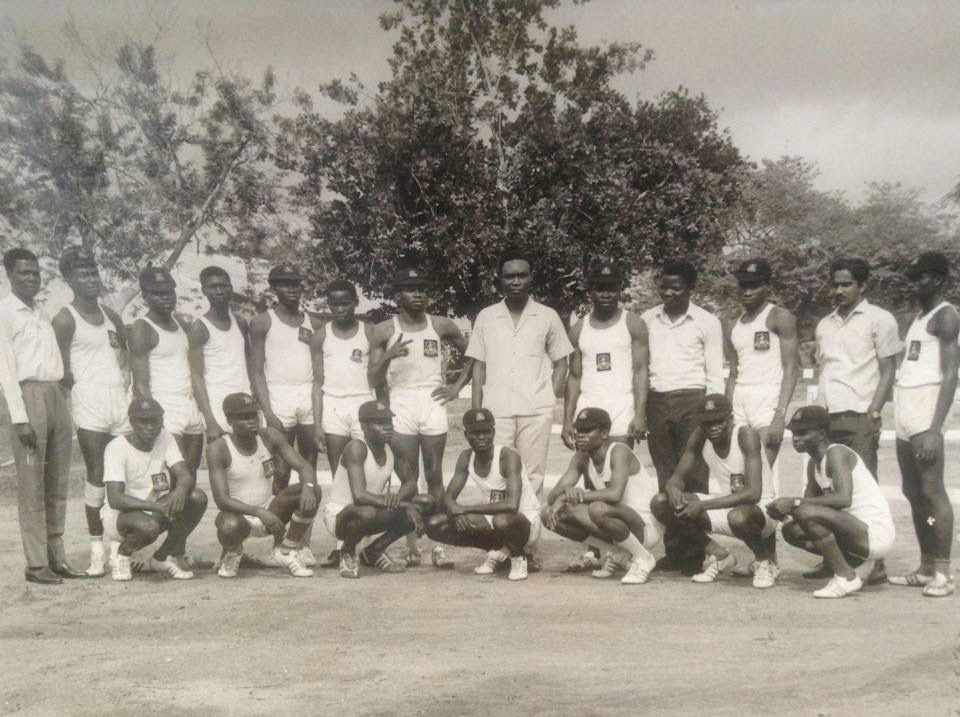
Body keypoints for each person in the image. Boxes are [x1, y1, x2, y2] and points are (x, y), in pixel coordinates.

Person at [368, 268, 472, 568]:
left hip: (431, 399)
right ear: (398, 294)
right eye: (411, 289)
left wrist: (456, 388)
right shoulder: (384, 330)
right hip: (400, 400)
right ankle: (412, 544)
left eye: (423, 289)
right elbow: (373, 378)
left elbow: (476, 355)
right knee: (407, 478)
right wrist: (389, 356)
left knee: (435, 474)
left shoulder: (440, 325)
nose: (418, 294)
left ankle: (439, 543)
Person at [812, 257, 900, 583]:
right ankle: (831, 559)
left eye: (846, 284)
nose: (838, 290)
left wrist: (875, 412)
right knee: (825, 488)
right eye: (834, 283)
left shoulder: (880, 319)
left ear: (862, 286)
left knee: (861, 492)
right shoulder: (824, 324)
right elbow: (824, 371)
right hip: (827, 418)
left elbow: (888, 369)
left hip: (860, 414)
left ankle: (875, 564)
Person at [0, 247, 84, 583]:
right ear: (9, 275)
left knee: (57, 480)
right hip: (27, 395)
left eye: (35, 273)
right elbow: (6, 371)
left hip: (54, 394)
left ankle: (56, 556)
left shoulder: (41, 311)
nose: (32, 278)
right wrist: (20, 418)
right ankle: (36, 564)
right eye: (24, 273)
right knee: (33, 483)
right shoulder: (5, 313)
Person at [467, 251, 573, 504]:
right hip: (497, 409)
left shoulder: (547, 315)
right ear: (500, 279)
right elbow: (478, 367)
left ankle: (530, 536)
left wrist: (548, 395)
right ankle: (501, 538)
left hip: (535, 409)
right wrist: (476, 413)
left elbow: (562, 362)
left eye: (521, 275)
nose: (516, 281)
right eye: (509, 276)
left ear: (531, 278)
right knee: (498, 472)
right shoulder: (486, 316)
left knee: (533, 475)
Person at [51, 247, 130, 577]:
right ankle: (97, 549)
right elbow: (59, 368)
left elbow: (123, 352)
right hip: (89, 401)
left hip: (118, 400)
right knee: (98, 474)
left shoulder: (111, 315)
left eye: (94, 273)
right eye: (83, 275)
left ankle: (119, 550)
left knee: (121, 476)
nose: (91, 280)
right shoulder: (65, 318)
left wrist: (123, 380)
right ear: (69, 280)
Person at [641, 260, 723, 574]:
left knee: (693, 476)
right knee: (666, 478)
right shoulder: (647, 319)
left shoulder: (707, 321)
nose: (669, 293)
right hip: (658, 401)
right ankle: (675, 551)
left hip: (693, 400)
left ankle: (698, 552)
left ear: (691, 288)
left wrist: (710, 414)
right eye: (664, 286)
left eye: (677, 287)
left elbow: (714, 372)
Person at [650, 394, 779, 588]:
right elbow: (675, 479)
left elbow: (754, 493)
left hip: (761, 510)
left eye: (719, 421)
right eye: (707, 423)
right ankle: (720, 554)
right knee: (661, 503)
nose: (713, 427)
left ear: (731, 418)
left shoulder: (745, 435)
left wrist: (702, 505)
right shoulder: (700, 435)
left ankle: (765, 562)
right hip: (728, 505)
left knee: (738, 516)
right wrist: (673, 491)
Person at [767, 405, 895, 599]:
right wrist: (782, 511)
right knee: (791, 530)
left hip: (874, 532)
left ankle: (846, 576)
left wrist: (793, 503)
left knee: (805, 512)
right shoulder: (814, 463)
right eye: (793, 432)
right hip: (853, 529)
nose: (795, 438)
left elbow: (843, 498)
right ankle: (838, 564)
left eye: (803, 433)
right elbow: (808, 503)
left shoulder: (836, 453)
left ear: (821, 433)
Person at [889, 252, 958, 597]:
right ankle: (926, 564)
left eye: (922, 278)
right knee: (913, 492)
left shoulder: (946, 316)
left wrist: (935, 427)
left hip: (927, 407)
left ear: (939, 279)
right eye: (912, 277)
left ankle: (944, 572)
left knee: (932, 490)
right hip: (905, 405)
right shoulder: (918, 317)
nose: (915, 284)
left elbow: (949, 376)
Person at [249, 264, 322, 565]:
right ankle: (279, 543)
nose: (292, 289)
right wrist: (267, 409)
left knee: (310, 468)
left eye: (296, 284)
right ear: (274, 289)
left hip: (306, 394)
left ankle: (302, 542)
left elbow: (319, 370)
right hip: (278, 394)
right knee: (281, 471)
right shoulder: (263, 322)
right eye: (284, 284)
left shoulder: (314, 322)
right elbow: (256, 370)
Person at [541, 408, 661, 585]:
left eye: (587, 431)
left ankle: (643, 557)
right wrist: (566, 494)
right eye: (578, 430)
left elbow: (614, 494)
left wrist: (577, 495)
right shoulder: (581, 458)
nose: (580, 435)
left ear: (604, 433)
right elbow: (553, 497)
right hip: (617, 524)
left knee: (597, 508)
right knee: (548, 514)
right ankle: (616, 553)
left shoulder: (619, 451)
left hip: (645, 527)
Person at [207, 393, 320, 578]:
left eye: (254, 415)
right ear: (229, 421)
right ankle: (234, 552)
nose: (252, 421)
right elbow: (222, 500)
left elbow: (304, 466)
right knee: (227, 524)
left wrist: (307, 485)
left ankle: (286, 550)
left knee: (313, 490)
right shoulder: (218, 449)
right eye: (244, 417)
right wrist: (258, 512)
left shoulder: (269, 436)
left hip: (271, 510)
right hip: (239, 516)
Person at [425, 408, 541, 581]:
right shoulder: (466, 457)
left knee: (501, 520)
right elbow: (448, 498)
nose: (481, 437)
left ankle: (519, 556)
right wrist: (456, 515)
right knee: (434, 525)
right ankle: (498, 552)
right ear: (466, 435)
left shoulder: (507, 456)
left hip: (526, 522)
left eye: (486, 432)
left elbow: (512, 505)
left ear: (493, 432)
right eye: (475, 433)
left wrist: (464, 509)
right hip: (494, 518)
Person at [103, 398, 209, 581]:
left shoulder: (165, 437)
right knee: (149, 526)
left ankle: (160, 557)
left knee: (197, 497)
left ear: (162, 421)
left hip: (155, 509)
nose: (150, 427)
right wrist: (157, 508)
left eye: (155, 421)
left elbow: (184, 475)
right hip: (121, 516)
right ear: (132, 422)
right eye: (143, 421)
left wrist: (179, 491)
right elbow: (115, 499)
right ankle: (122, 554)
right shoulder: (116, 447)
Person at [322, 400, 427, 579]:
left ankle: (373, 552)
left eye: (389, 422)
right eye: (380, 423)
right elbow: (359, 496)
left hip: (372, 511)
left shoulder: (393, 445)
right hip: (340, 516)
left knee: (424, 503)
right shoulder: (356, 447)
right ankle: (346, 552)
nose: (387, 428)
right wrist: (402, 505)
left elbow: (410, 482)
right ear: (364, 426)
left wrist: (400, 501)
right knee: (367, 512)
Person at [311, 279, 376, 567]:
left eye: (345, 303)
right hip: (333, 405)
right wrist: (316, 426)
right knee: (340, 475)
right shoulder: (320, 336)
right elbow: (317, 383)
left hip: (362, 402)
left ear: (355, 302)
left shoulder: (369, 332)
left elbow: (378, 376)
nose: (340, 308)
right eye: (334, 304)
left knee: (366, 471)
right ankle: (342, 543)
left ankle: (366, 540)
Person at [724, 259, 799, 489]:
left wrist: (780, 415)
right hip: (740, 402)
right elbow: (734, 373)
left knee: (762, 476)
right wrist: (727, 412)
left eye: (754, 285)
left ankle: (767, 523)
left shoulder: (779, 317)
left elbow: (791, 368)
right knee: (738, 476)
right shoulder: (731, 325)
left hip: (768, 400)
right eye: (743, 285)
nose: (747, 291)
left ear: (766, 285)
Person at [563, 261, 649, 449]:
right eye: (600, 288)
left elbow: (640, 372)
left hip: (622, 411)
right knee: (589, 474)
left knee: (620, 473)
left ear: (619, 290)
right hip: (588, 411)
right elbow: (574, 378)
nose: (606, 294)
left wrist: (640, 414)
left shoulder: (633, 324)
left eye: (611, 288)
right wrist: (567, 420)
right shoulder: (578, 329)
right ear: (591, 291)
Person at [129, 266, 205, 477]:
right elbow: (140, 384)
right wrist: (155, 418)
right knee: (174, 475)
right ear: (145, 296)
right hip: (165, 406)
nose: (166, 298)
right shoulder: (142, 328)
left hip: (189, 404)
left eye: (169, 292)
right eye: (158, 293)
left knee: (191, 475)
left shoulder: (181, 323)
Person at [187, 266, 252, 442]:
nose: (219, 291)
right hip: (218, 406)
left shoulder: (240, 322)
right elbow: (197, 376)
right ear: (204, 291)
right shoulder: (199, 327)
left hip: (245, 402)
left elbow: (248, 364)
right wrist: (210, 420)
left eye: (223, 285)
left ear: (231, 287)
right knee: (224, 464)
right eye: (213, 287)